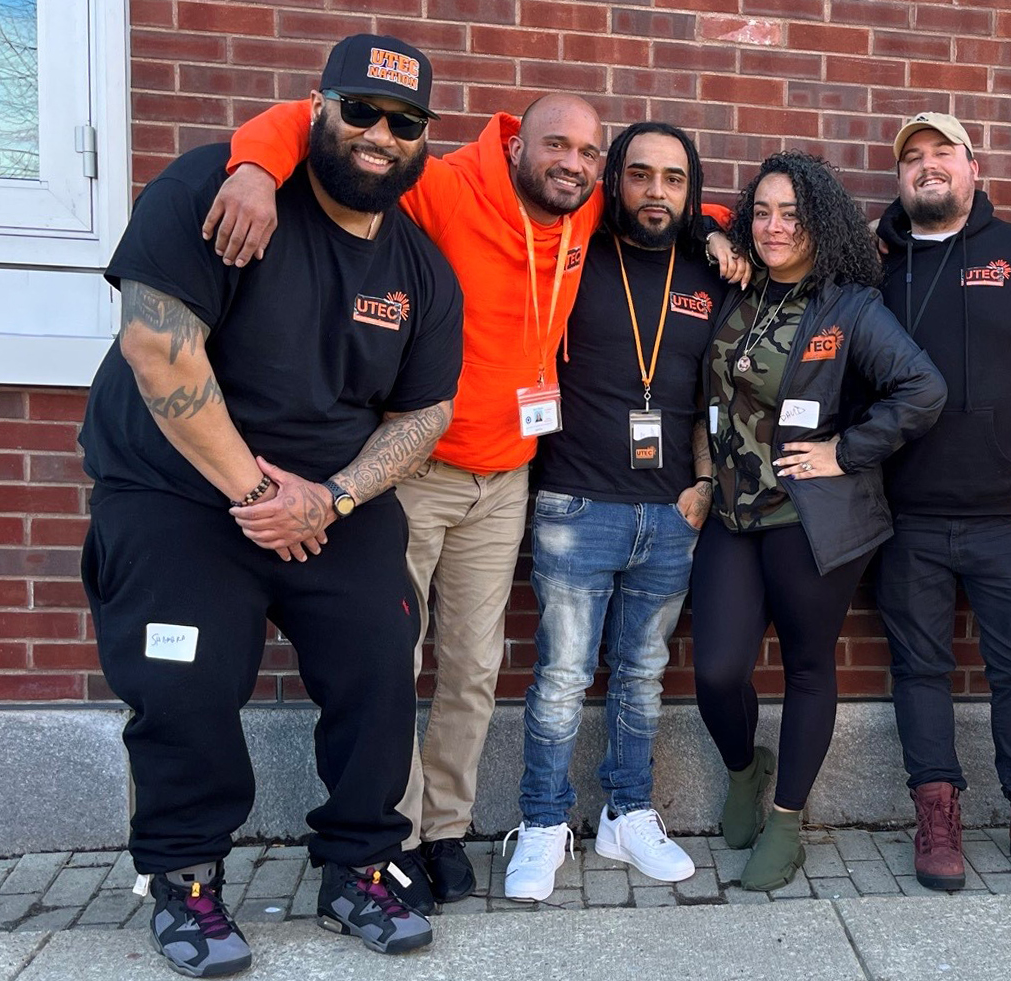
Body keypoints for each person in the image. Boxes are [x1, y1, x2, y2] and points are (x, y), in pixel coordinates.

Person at [206, 95, 740, 911]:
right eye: (555, 145)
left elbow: (664, 198)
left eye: (588, 153)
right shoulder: (448, 185)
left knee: (472, 668)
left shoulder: (589, 202)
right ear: (517, 142)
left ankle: (447, 827)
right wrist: (250, 167)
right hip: (418, 469)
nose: (573, 163)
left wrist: (715, 228)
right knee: (394, 660)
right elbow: (325, 134)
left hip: (509, 475)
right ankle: (399, 834)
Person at [77, 34, 456, 975]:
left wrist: (328, 497)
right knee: (185, 686)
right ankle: (186, 880)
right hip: (180, 491)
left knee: (380, 663)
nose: (379, 134)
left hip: (329, 503)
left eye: (403, 123)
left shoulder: (419, 268)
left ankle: (360, 863)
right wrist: (256, 492)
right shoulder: (219, 190)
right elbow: (157, 346)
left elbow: (426, 412)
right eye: (360, 110)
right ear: (316, 110)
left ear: (421, 143)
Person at [693, 151, 945, 892]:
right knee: (717, 669)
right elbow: (674, 222)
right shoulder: (733, 284)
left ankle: (785, 819)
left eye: (791, 215)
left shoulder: (847, 306)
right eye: (761, 212)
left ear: (821, 222)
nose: (773, 227)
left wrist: (846, 449)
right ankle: (745, 768)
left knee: (808, 666)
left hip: (810, 521)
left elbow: (922, 389)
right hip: (732, 515)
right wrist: (712, 234)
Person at [497, 122, 727, 900]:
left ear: (691, 190)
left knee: (642, 674)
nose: (655, 191)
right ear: (612, 181)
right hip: (575, 501)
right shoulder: (574, 248)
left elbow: (713, 395)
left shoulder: (710, 268)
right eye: (638, 174)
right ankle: (540, 822)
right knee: (560, 675)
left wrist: (700, 482)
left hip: (671, 512)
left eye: (673, 178)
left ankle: (626, 815)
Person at [871, 113, 1011, 891]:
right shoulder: (873, 261)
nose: (927, 168)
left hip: (1010, 516)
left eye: (942, 155)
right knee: (919, 667)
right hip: (905, 516)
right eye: (913, 159)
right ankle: (936, 817)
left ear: (972, 165)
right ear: (900, 178)